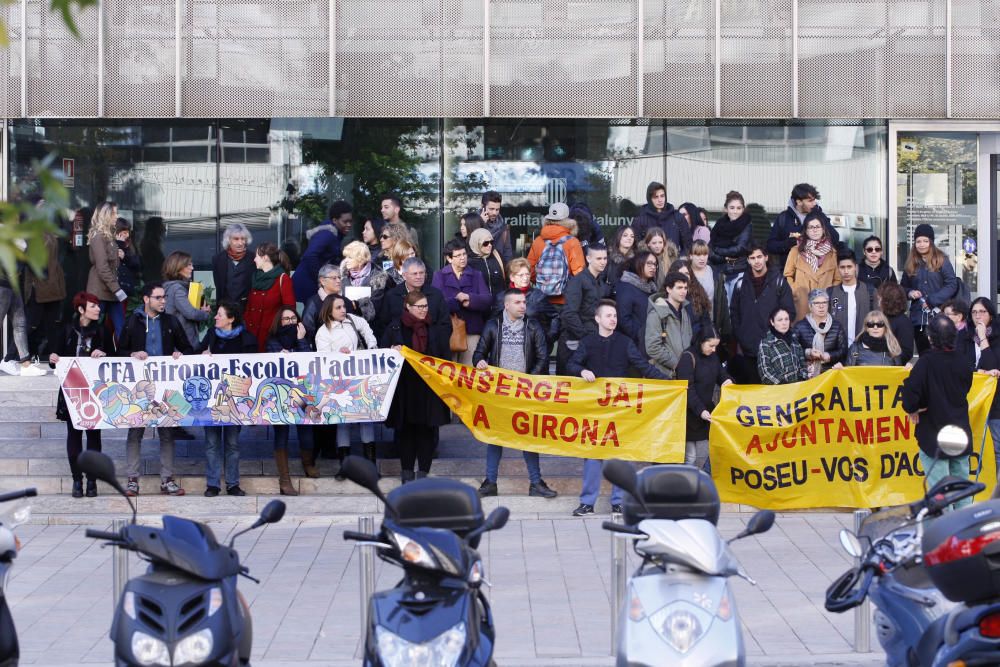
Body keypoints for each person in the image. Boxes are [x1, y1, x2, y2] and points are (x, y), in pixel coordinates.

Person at [568, 300, 669, 516]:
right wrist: (581, 371)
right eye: (608, 315)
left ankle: (619, 502)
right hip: (594, 410)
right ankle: (587, 503)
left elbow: (643, 366)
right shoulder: (587, 342)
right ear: (597, 319)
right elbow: (572, 364)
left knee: (622, 454)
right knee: (593, 456)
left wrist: (671, 384)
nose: (613, 319)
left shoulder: (624, 342)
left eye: (614, 315)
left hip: (620, 410)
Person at [473, 289, 557, 499]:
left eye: (524, 302)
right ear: (506, 305)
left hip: (524, 392)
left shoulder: (533, 325)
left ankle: (536, 483)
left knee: (528, 437)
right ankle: (490, 482)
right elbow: (478, 354)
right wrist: (480, 362)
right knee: (496, 437)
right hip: (499, 392)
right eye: (518, 302)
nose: (523, 306)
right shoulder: (493, 325)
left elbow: (543, 357)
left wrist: (527, 382)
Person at [117, 282, 192, 496]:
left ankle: (167, 480)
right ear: (146, 299)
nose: (163, 301)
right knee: (135, 432)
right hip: (139, 389)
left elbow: (187, 347)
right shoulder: (133, 321)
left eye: (164, 297)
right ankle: (132, 480)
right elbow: (120, 350)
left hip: (165, 387)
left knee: (167, 433)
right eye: (158, 297)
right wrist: (131, 355)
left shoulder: (171, 321)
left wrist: (181, 354)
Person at [901, 314, 974, 508]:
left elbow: (910, 392)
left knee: (940, 493)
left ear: (931, 338)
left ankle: (946, 535)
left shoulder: (927, 361)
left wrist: (915, 408)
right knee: (962, 491)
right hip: (959, 430)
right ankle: (965, 533)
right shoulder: (963, 360)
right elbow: (964, 388)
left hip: (934, 432)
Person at [381, 291, 452, 482]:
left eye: (426, 306)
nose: (423, 310)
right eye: (419, 306)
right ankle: (406, 472)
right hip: (404, 387)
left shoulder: (434, 329)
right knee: (405, 431)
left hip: (429, 387)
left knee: (427, 431)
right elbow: (382, 353)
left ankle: (423, 473)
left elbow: (444, 356)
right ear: (408, 307)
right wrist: (392, 352)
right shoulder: (395, 327)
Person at [196, 301, 257, 497]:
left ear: (231, 319)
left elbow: (254, 367)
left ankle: (232, 484)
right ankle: (213, 484)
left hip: (235, 402)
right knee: (212, 443)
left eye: (219, 315)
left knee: (232, 444)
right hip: (213, 400)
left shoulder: (247, 339)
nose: (215, 317)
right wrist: (202, 354)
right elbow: (194, 353)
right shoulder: (211, 335)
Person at [49, 292, 107, 498]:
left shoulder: (101, 330)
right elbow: (54, 356)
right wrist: (53, 357)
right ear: (81, 309)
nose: (98, 309)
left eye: (98, 306)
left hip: (94, 391)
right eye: (93, 306)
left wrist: (103, 354)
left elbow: (112, 356)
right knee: (74, 435)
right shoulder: (66, 329)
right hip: (71, 391)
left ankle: (92, 481)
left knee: (94, 436)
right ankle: (77, 481)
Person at [315, 294, 379, 471]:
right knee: (343, 420)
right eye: (338, 307)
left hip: (360, 377)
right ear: (329, 310)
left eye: (344, 306)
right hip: (339, 382)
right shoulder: (323, 332)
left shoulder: (352, 319)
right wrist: (338, 355)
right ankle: (345, 465)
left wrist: (372, 347)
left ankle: (371, 464)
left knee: (367, 417)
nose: (343, 310)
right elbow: (323, 357)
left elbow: (366, 328)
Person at [266, 307, 316, 493]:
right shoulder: (272, 340)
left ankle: (308, 464)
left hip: (302, 394)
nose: (290, 322)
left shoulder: (304, 336)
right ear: (279, 321)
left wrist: (302, 340)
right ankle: (284, 479)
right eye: (286, 319)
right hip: (280, 396)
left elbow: (308, 362)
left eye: (293, 318)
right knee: (281, 435)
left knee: (306, 431)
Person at [729, 243, 795, 384]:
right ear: (748, 260)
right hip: (748, 350)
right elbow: (734, 313)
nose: (756, 261)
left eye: (759, 256)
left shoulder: (779, 282)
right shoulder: (740, 284)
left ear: (766, 257)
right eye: (752, 258)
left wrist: (777, 337)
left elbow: (789, 312)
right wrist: (741, 335)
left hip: (774, 350)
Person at [675, 325, 733, 470]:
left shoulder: (713, 356)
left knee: (718, 447)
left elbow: (721, 374)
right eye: (711, 345)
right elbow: (688, 389)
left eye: (716, 346)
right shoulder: (687, 358)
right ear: (701, 341)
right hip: (690, 413)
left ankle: (705, 476)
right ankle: (687, 487)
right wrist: (701, 410)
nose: (714, 349)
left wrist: (728, 381)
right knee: (691, 456)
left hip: (707, 410)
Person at [432, 239, 492, 366]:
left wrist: (469, 299)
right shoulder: (439, 276)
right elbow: (436, 304)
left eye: (464, 254)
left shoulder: (476, 275)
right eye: (458, 255)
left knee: (469, 372)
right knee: (450, 371)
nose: (462, 258)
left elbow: (487, 300)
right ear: (449, 259)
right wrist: (457, 300)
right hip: (449, 330)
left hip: (472, 330)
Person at [901, 224, 958, 354]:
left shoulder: (942, 260)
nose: (922, 244)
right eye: (918, 241)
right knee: (924, 355)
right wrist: (910, 292)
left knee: (942, 355)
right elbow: (902, 287)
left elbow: (952, 284)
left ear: (931, 242)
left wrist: (933, 300)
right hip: (918, 319)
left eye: (925, 241)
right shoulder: (911, 262)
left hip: (939, 315)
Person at [376, 257, 451, 349]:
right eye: (414, 274)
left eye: (421, 273)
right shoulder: (392, 296)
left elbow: (445, 324)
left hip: (431, 352)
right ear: (404, 275)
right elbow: (383, 325)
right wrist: (391, 346)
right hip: (401, 352)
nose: (419, 277)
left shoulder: (436, 295)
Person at [558, 244, 611, 375]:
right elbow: (569, 314)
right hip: (574, 342)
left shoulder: (601, 283)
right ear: (588, 259)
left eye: (605, 258)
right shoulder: (578, 281)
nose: (603, 262)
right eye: (599, 258)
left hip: (590, 341)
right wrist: (586, 338)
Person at [767, 183, 840, 270]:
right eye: (810, 201)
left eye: (814, 200)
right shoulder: (784, 218)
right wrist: (786, 244)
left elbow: (835, 238)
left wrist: (819, 217)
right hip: (791, 273)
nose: (814, 204)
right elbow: (770, 245)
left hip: (817, 273)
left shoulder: (819, 215)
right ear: (799, 201)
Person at [292, 200, 352, 303]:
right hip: (305, 286)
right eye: (345, 221)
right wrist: (321, 279)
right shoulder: (327, 234)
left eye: (350, 221)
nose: (349, 224)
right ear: (334, 220)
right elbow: (310, 255)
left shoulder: (333, 234)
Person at [527, 203, 585, 305]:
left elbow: (529, 269)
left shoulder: (538, 241)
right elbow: (579, 274)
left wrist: (545, 282)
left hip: (542, 299)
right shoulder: (572, 242)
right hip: (565, 300)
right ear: (567, 220)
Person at [784, 216, 841, 321]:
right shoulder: (795, 251)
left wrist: (828, 295)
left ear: (823, 229)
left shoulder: (832, 253)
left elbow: (837, 279)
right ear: (806, 231)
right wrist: (796, 292)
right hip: (802, 304)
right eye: (810, 227)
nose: (814, 230)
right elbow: (787, 275)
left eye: (817, 227)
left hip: (823, 306)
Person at [86, 202, 128, 343]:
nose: (117, 216)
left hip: (111, 290)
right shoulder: (98, 236)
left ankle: (125, 357)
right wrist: (117, 289)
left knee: (121, 327)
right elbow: (102, 267)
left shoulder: (109, 236)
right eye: (114, 213)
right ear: (106, 215)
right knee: (93, 326)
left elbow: (110, 264)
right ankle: (88, 355)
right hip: (100, 290)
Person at [969, 298, 1000, 474]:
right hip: (971, 404)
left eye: (982, 312)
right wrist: (976, 371)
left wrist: (982, 337)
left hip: (995, 404)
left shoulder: (996, 336)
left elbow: (993, 366)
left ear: (990, 314)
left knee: (996, 449)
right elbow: (958, 364)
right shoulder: (964, 336)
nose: (978, 316)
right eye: (974, 312)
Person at [24, 227, 66, 361]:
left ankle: (49, 358)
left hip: (51, 286)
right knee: (32, 324)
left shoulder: (50, 233)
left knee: (49, 324)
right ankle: (14, 357)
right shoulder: (35, 234)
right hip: (40, 286)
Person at [245, 243, 295, 351]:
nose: (254, 260)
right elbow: (249, 307)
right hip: (251, 337)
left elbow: (289, 309)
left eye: (257, 256)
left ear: (265, 258)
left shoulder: (283, 278)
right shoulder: (255, 277)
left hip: (271, 339)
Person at [497, 257, 558, 347]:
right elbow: (494, 322)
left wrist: (548, 338)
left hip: (534, 347)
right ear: (512, 277)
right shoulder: (501, 297)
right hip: (509, 347)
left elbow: (555, 317)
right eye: (521, 275)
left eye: (527, 274)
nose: (525, 278)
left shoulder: (538, 296)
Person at [645, 271, 692, 378]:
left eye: (685, 288)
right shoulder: (656, 313)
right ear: (668, 289)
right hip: (664, 375)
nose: (684, 291)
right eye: (679, 288)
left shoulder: (684, 310)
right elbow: (653, 347)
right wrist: (676, 364)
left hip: (684, 372)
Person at [709, 191, 753, 304]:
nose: (735, 211)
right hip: (720, 272)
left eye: (739, 208)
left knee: (735, 307)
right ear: (726, 209)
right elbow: (710, 249)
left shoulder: (746, 224)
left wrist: (719, 251)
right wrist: (724, 257)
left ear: (743, 209)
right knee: (721, 309)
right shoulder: (719, 224)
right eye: (732, 207)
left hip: (738, 271)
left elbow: (740, 248)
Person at [162, 251, 212, 349]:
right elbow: (191, 313)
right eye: (188, 265)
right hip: (183, 342)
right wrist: (205, 314)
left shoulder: (174, 287)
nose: (192, 268)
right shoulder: (177, 288)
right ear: (178, 267)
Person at [791, 289, 848, 376]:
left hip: (831, 373)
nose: (821, 306)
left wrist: (829, 355)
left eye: (824, 302)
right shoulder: (800, 327)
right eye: (817, 303)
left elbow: (843, 350)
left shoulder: (837, 326)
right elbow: (792, 351)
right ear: (810, 306)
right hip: (807, 373)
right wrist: (808, 353)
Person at [613, 251, 658, 352]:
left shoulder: (652, 288)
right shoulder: (626, 286)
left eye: (655, 264)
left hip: (650, 342)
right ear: (639, 263)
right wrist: (641, 335)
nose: (653, 267)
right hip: (634, 345)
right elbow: (624, 319)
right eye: (649, 263)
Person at [630, 181, 690, 254]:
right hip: (649, 263)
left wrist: (678, 261)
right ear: (650, 199)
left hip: (673, 263)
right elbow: (635, 247)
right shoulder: (640, 219)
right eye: (656, 197)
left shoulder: (677, 217)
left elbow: (688, 245)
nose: (660, 200)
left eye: (662, 196)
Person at [827, 250, 873, 345]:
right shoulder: (831, 292)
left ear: (855, 267)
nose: (846, 271)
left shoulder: (869, 291)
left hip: (863, 347)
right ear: (838, 268)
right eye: (842, 267)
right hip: (838, 348)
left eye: (849, 267)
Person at [340, 240, 388, 324]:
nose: (346, 260)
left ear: (361, 260)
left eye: (350, 257)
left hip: (371, 328)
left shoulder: (378, 278)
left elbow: (374, 307)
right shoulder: (341, 277)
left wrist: (355, 305)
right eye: (345, 257)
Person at [757, 307, 809, 385]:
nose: (784, 323)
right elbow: (765, 373)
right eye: (780, 320)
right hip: (779, 392)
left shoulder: (794, 339)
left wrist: (802, 378)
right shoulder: (766, 343)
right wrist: (784, 385)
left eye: (786, 319)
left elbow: (803, 364)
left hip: (798, 390)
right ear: (772, 322)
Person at [212, 223, 255, 309]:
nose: (240, 243)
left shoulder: (253, 258)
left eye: (243, 239)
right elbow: (219, 286)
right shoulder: (218, 259)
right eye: (236, 239)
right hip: (225, 309)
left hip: (247, 310)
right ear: (228, 240)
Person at [690, 240, 728, 332]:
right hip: (689, 325)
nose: (702, 258)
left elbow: (722, 303)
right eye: (698, 255)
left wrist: (725, 330)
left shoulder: (716, 274)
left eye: (705, 254)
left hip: (710, 324)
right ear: (691, 256)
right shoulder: (685, 273)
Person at [301, 263, 342, 341]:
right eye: (334, 278)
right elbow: (308, 332)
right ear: (322, 281)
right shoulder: (313, 303)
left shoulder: (344, 300)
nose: (338, 281)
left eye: (339, 278)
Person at [878, 282, 915, 366]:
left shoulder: (903, 322)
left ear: (887, 300)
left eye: (880, 298)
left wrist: (884, 358)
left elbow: (906, 352)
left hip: (892, 369)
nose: (878, 300)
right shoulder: (880, 317)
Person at [467, 228, 506, 298]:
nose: (490, 245)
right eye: (485, 243)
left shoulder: (497, 256)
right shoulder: (468, 261)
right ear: (476, 243)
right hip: (478, 305)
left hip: (499, 304)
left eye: (491, 242)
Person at [480, 191, 513, 266]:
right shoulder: (472, 222)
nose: (494, 213)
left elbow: (507, 253)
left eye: (497, 209)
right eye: (491, 209)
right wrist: (481, 223)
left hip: (498, 270)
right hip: (479, 269)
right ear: (482, 207)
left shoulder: (503, 227)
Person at [942, 299, 974, 367]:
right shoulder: (944, 332)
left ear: (959, 317)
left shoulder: (968, 333)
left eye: (947, 314)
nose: (943, 317)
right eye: (943, 314)